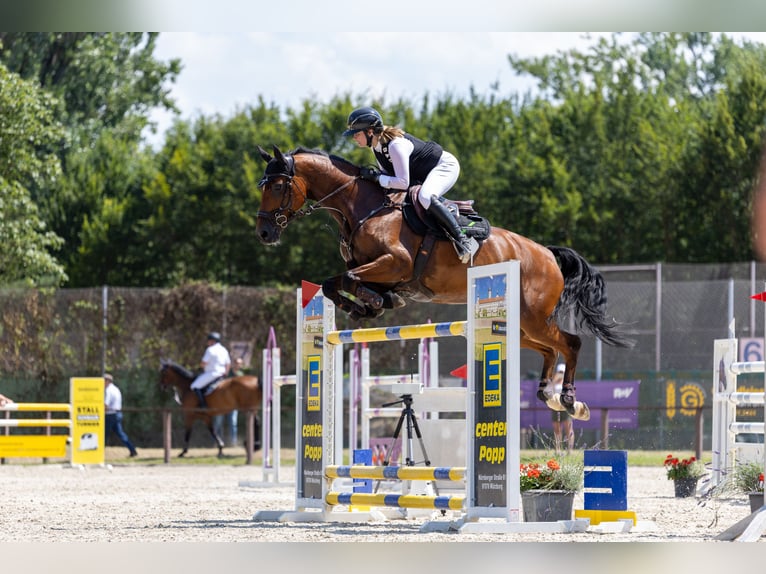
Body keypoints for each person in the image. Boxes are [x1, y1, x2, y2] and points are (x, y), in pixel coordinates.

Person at [343, 106, 474, 263]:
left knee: (425, 197)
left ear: (370, 132)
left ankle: (462, 240)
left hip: (444, 166)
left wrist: (377, 178)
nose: (354, 138)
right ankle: (444, 206)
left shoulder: (395, 146)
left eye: (356, 134)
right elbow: (390, 177)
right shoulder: (376, 147)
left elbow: (403, 183)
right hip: (422, 174)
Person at [190, 332, 230, 408]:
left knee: (194, 386)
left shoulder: (210, 349)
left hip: (212, 373)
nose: (208, 342)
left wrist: (200, 366)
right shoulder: (224, 350)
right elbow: (228, 363)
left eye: (208, 341)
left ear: (213, 341)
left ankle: (203, 405)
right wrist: (226, 373)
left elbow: (203, 363)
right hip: (222, 374)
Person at [103, 373, 138, 458]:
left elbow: (106, 405)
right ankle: (132, 450)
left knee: (103, 434)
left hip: (110, 415)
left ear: (107, 381)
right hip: (117, 413)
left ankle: (98, 454)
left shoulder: (108, 390)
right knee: (121, 434)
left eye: (103, 381)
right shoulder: (116, 389)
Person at [214, 356, 243, 446]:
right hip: (222, 403)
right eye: (236, 363)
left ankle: (233, 443)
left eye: (239, 363)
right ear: (233, 364)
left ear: (241, 365)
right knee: (218, 423)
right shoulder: (227, 373)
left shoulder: (241, 375)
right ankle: (216, 442)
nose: (237, 365)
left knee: (233, 423)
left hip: (234, 404)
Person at [551, 363, 575, 453]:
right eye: (559, 372)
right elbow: (549, 393)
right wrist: (554, 381)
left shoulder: (568, 383)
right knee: (557, 429)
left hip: (565, 407)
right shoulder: (553, 382)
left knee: (568, 429)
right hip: (556, 407)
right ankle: (558, 449)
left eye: (563, 372)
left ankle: (570, 450)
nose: (561, 374)